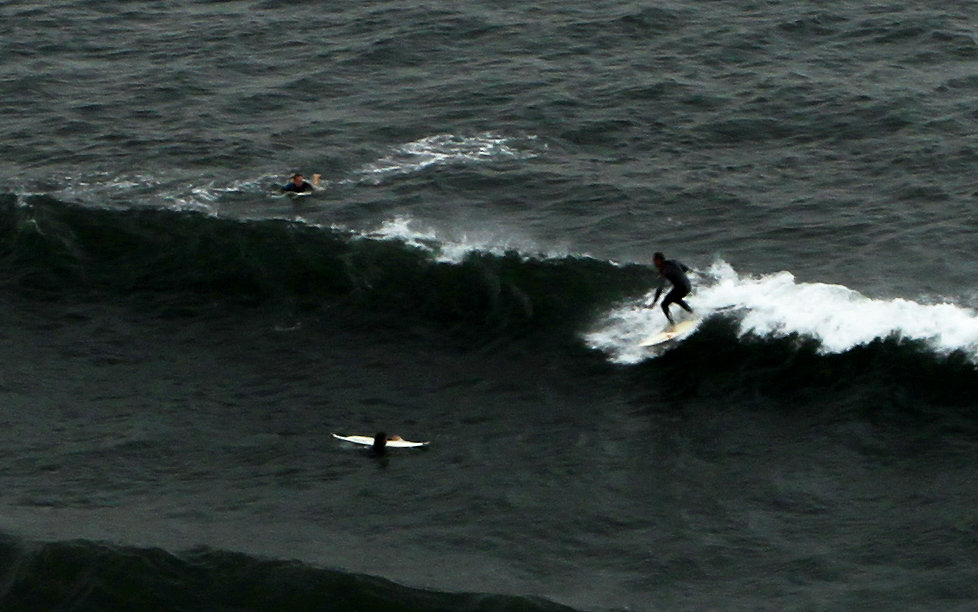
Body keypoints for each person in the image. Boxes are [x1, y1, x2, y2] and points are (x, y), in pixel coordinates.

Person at [649, 251, 693, 326]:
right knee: (676, 298)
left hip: (681, 287)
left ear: (659, 260)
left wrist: (654, 302)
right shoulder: (673, 262)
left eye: (654, 261)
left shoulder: (664, 270)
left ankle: (672, 324)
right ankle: (691, 312)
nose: (654, 263)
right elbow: (686, 269)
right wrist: (679, 277)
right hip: (688, 285)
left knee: (664, 304)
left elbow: (660, 288)